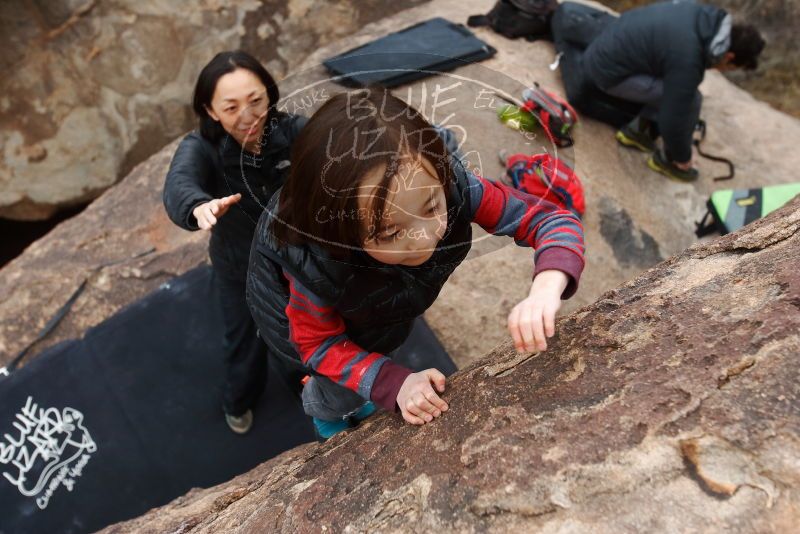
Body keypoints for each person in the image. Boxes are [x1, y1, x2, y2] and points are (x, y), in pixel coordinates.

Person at [246, 88, 586, 440]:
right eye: (390, 231)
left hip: (382, 297)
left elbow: (549, 220)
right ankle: (322, 411)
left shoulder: (451, 184)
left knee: (383, 339)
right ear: (341, 231)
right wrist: (392, 382)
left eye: (430, 207)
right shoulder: (317, 265)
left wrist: (546, 288)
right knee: (338, 388)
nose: (423, 237)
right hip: (296, 322)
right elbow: (318, 345)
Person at [163, 50, 307, 434]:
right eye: (231, 107)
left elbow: (335, 146)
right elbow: (180, 184)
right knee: (243, 341)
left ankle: (308, 392)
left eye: (256, 101)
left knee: (303, 336)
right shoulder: (202, 148)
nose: (248, 116)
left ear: (269, 95)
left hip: (296, 261)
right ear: (210, 111)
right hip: (238, 266)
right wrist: (197, 208)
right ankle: (239, 400)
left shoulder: (290, 130)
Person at [579, 1, 765, 182]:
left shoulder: (703, 16)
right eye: (729, 67)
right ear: (729, 56)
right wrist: (683, 156)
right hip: (607, 73)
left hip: (606, 47)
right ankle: (669, 162)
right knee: (690, 101)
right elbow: (673, 117)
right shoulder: (688, 58)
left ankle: (640, 132)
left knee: (678, 90)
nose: (722, 70)